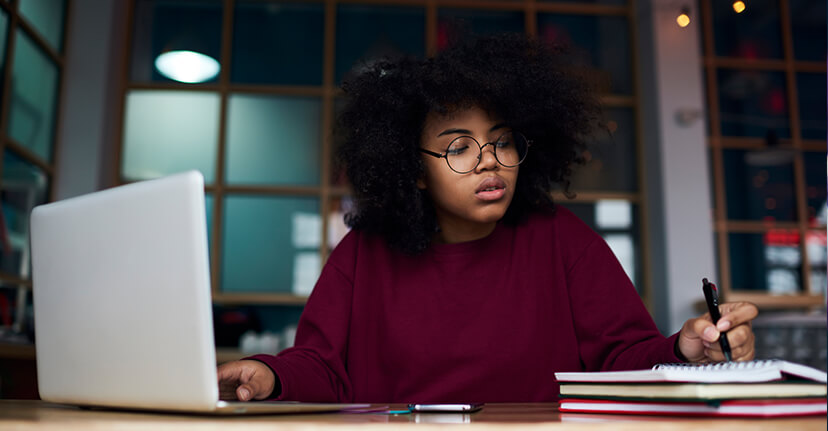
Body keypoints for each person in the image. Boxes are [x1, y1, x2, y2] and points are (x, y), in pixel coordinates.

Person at [217, 34, 757, 403]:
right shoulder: (364, 253)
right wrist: (270, 375)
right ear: (416, 170)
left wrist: (685, 349)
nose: (489, 161)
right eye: (458, 148)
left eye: (501, 142)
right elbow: (322, 366)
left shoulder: (563, 240)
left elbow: (621, 358)